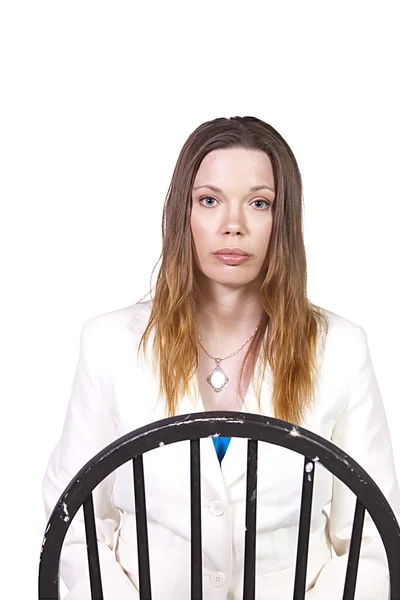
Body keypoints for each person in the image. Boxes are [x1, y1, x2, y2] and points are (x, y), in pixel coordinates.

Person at [42, 116, 400, 599]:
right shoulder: (109, 343)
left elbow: (369, 540)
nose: (233, 225)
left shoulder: (340, 347)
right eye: (210, 200)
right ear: (182, 213)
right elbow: (75, 520)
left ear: (283, 220)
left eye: (259, 203)